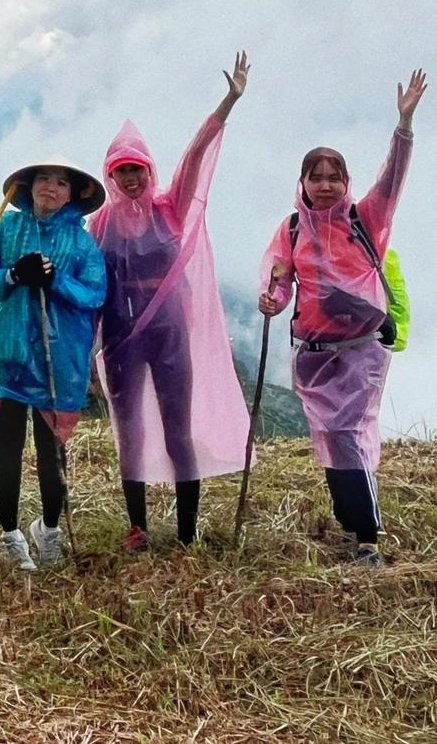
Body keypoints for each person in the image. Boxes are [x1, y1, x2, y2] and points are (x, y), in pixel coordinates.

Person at [257, 70, 426, 567]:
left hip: (361, 350)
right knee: (330, 440)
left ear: (347, 182)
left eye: (335, 177)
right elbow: (280, 278)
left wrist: (405, 125)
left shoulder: (366, 217)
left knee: (350, 433)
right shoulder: (292, 228)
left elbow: (392, 179)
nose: (326, 185)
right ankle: (351, 526)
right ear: (303, 183)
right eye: (317, 176)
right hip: (312, 353)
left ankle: (368, 536)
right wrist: (271, 297)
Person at [90, 54, 254, 552]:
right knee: (130, 433)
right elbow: (89, 281)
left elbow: (195, 157)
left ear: (149, 169)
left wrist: (227, 103)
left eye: (137, 168)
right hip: (121, 339)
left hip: (170, 334)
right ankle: (137, 528)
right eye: (122, 171)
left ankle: (186, 532)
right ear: (111, 176)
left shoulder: (170, 207)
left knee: (178, 431)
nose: (131, 178)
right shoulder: (100, 223)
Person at [0, 160, 107, 571]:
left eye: (61, 182)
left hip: (60, 357)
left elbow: (94, 293)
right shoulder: (7, 228)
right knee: (7, 448)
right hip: (10, 353)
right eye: (43, 180)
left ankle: (49, 528)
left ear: (72, 194)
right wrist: (15, 274)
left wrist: (55, 280)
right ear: (29, 186)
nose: (51, 187)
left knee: (52, 453)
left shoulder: (81, 243)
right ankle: (10, 533)